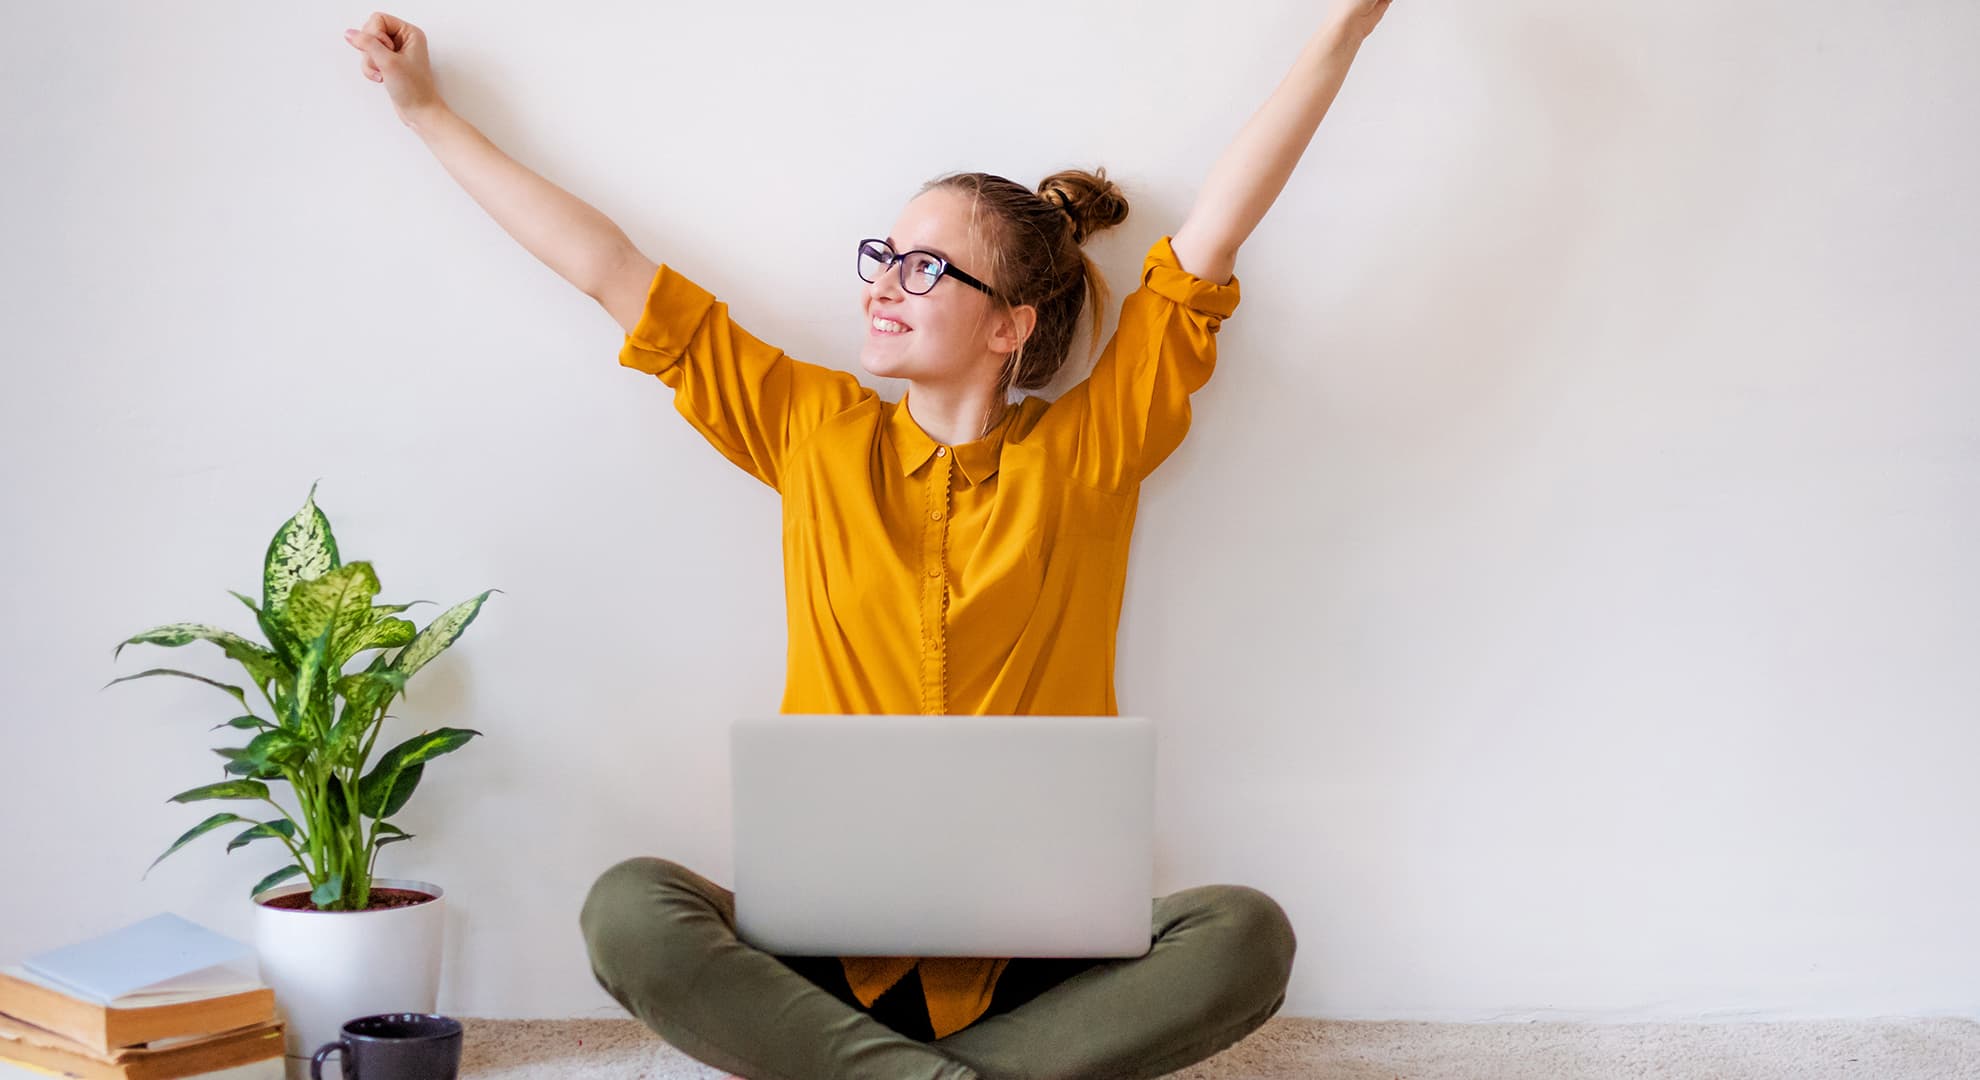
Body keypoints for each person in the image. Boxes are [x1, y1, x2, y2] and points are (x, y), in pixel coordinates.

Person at [345, 4, 1394, 1077]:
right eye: (883, 256)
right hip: (822, 963)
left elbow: (1214, 233)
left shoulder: (1089, 451)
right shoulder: (811, 431)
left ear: (1010, 326)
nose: (882, 283)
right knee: (630, 910)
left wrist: (1344, 33)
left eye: (925, 269)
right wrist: (427, 114)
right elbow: (609, 268)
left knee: (1245, 935)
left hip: (1034, 964)